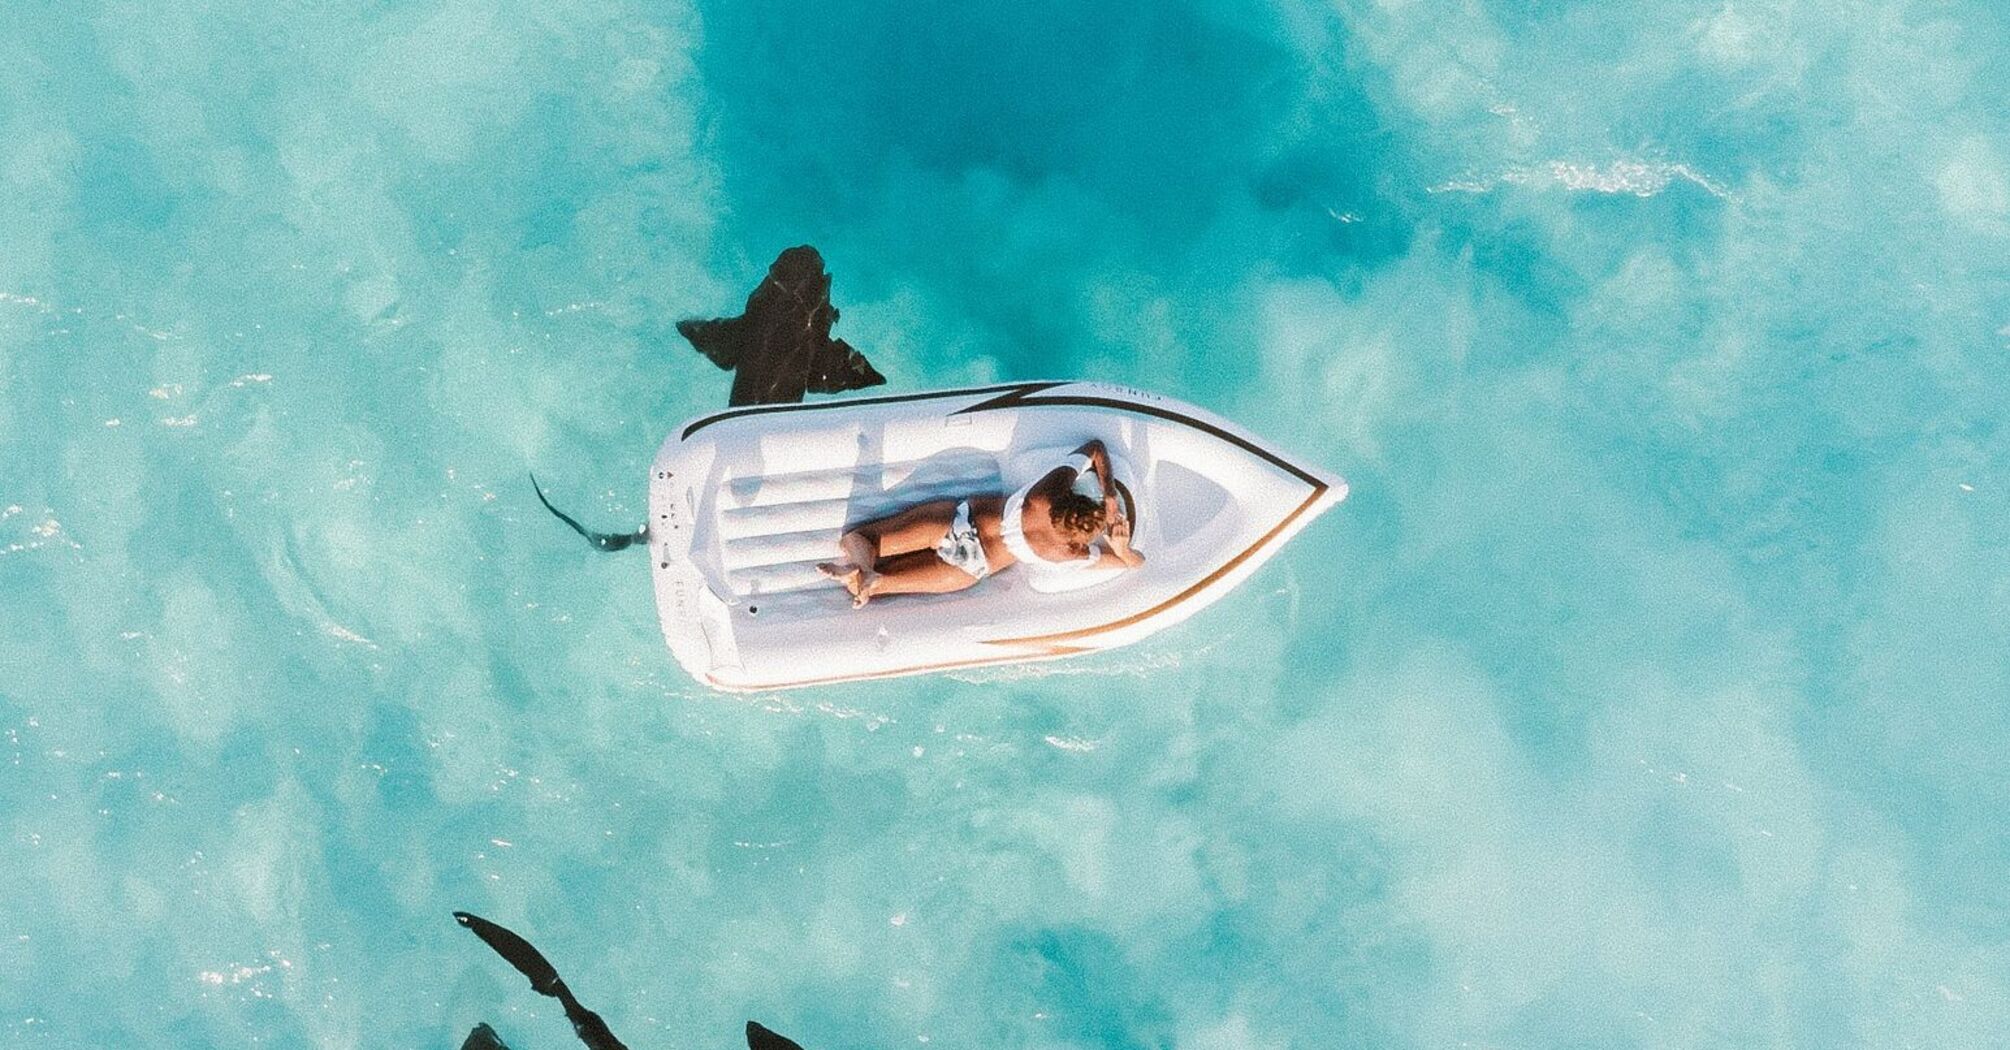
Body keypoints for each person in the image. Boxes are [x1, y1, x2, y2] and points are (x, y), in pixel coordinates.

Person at [817, 440, 1144, 607]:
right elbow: (1131, 565)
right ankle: (867, 579)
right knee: (878, 586)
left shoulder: (1047, 493)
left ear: (1073, 498)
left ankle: (861, 564)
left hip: (957, 522)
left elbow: (1096, 448)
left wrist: (1110, 496)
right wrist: (1122, 547)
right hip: (971, 568)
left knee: (860, 538)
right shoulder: (1066, 553)